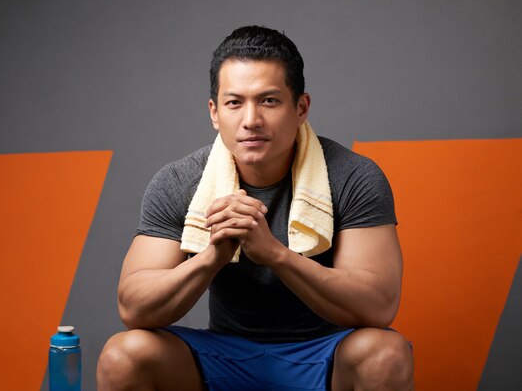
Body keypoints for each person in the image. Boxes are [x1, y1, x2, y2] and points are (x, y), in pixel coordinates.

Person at [97, 25, 414, 391]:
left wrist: (275, 254)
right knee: (125, 354)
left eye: (269, 101)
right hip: (223, 359)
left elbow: (379, 306)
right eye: (235, 103)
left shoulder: (352, 176)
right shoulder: (180, 182)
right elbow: (134, 308)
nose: (251, 120)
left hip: (323, 358)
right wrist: (212, 255)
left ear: (301, 108)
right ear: (214, 112)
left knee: (385, 353)